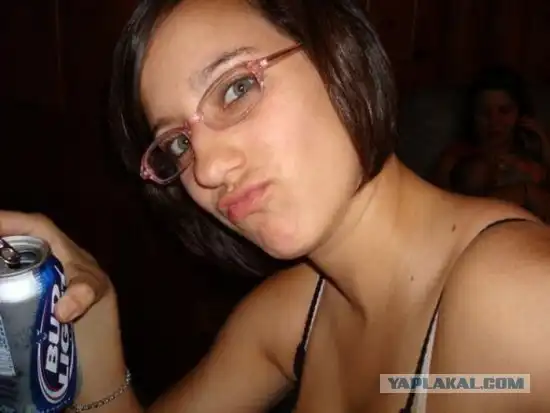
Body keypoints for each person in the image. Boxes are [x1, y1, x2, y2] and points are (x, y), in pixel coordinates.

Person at [2, 1, 550, 412]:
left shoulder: (520, 297)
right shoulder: (291, 312)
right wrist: (94, 325)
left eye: (236, 88)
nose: (207, 170)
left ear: (338, 52)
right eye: (178, 143)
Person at [433, 66, 550, 191]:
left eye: (504, 111)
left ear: (520, 114)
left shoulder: (534, 157)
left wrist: (545, 146)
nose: (494, 121)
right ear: (472, 114)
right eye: (484, 112)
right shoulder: (454, 159)